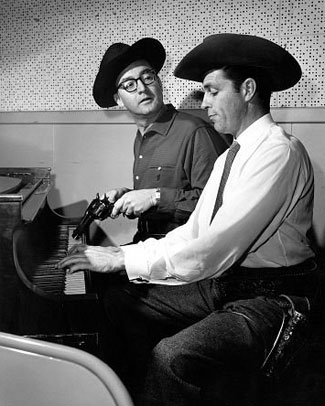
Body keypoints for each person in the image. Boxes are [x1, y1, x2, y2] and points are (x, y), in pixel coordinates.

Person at [58, 34, 319, 406]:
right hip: (231, 284)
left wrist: (122, 257)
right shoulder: (233, 154)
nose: (204, 102)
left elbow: (214, 249)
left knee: (172, 356)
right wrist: (122, 259)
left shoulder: (278, 152)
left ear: (247, 89)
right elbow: (197, 230)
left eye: (212, 91)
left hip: (271, 296)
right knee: (121, 298)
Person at [93, 37, 227, 242]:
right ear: (118, 99)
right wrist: (127, 196)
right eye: (129, 84)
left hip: (183, 252)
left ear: (159, 82)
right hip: (149, 243)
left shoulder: (195, 132)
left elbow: (218, 205)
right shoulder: (141, 138)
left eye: (147, 77)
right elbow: (163, 196)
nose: (141, 88)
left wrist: (154, 197)